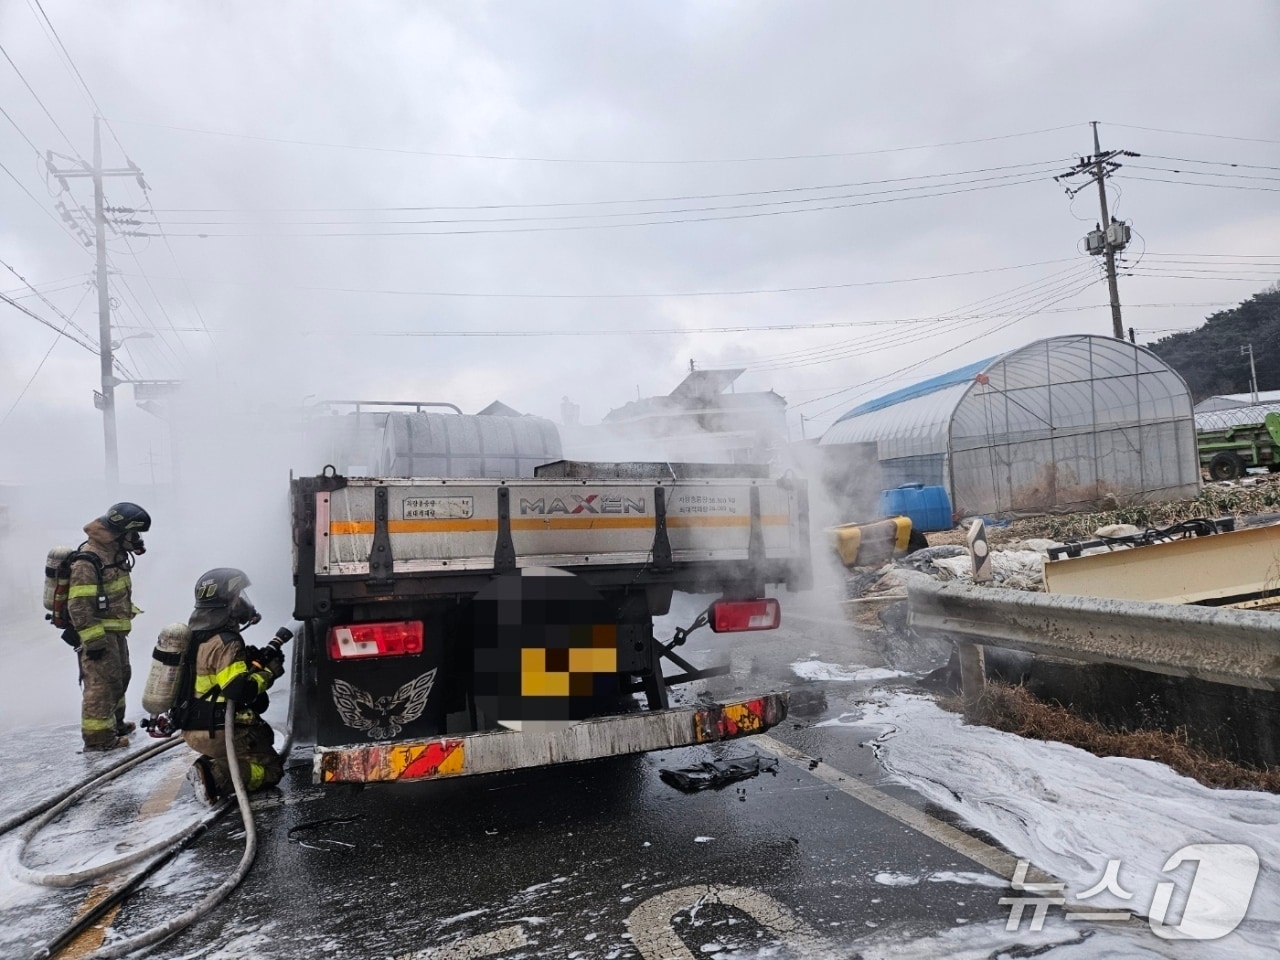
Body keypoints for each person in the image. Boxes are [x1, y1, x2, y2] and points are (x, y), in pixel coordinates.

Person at [180, 568, 284, 805]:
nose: (242, 602)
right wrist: (268, 673)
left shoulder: (194, 635)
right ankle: (215, 775)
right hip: (221, 729)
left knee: (263, 736)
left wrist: (248, 663)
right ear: (227, 601)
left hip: (193, 726)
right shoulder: (227, 641)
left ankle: (213, 764)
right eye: (238, 596)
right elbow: (239, 691)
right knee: (271, 770)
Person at [68, 502, 151, 752]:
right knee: (100, 684)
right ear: (119, 532)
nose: (136, 539)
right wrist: (93, 641)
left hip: (114, 631)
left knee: (120, 675)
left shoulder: (113, 553)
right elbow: (79, 606)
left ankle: (116, 723)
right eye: (133, 534)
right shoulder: (88, 560)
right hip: (98, 635)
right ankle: (99, 738)